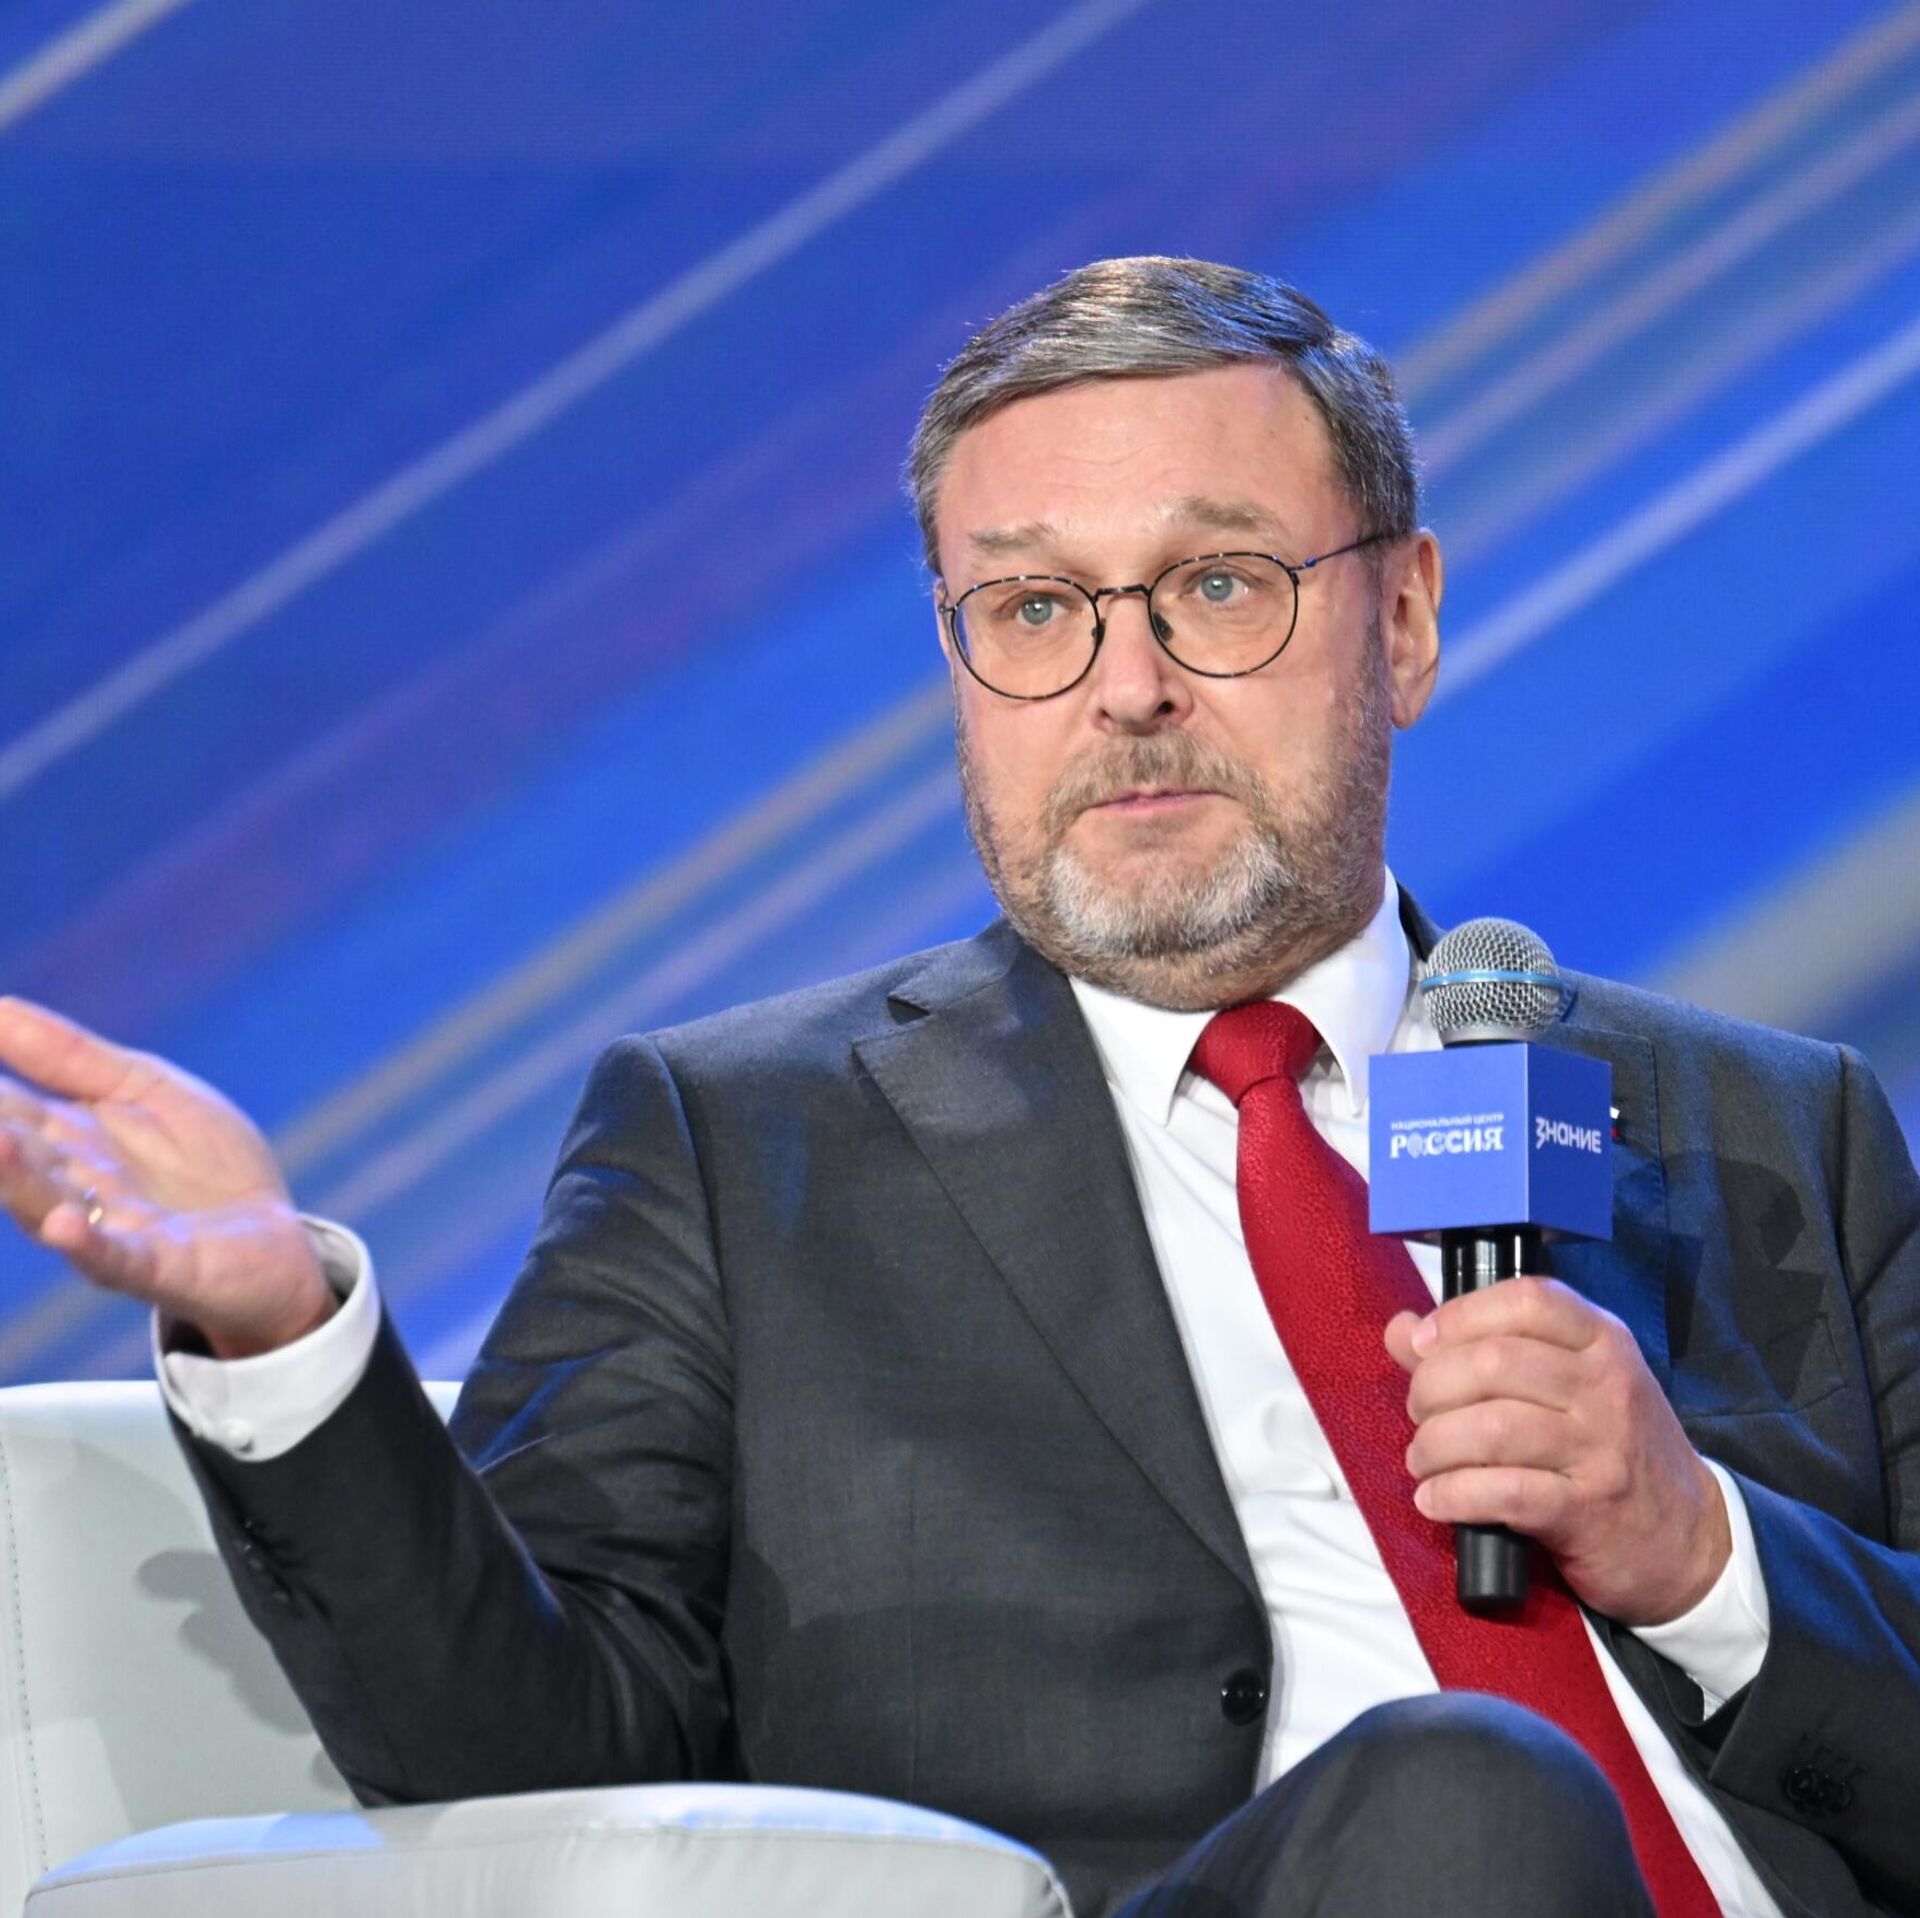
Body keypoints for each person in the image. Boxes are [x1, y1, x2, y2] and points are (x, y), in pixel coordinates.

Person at [1, 257, 1915, 1918]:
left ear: (1402, 620)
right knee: (1469, 1796)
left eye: (1219, 585)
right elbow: (530, 1763)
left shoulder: (1781, 1133)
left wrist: (1707, 1556)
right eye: (1035, 609)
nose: (1127, 686)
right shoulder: (740, 1151)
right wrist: (283, 1334)